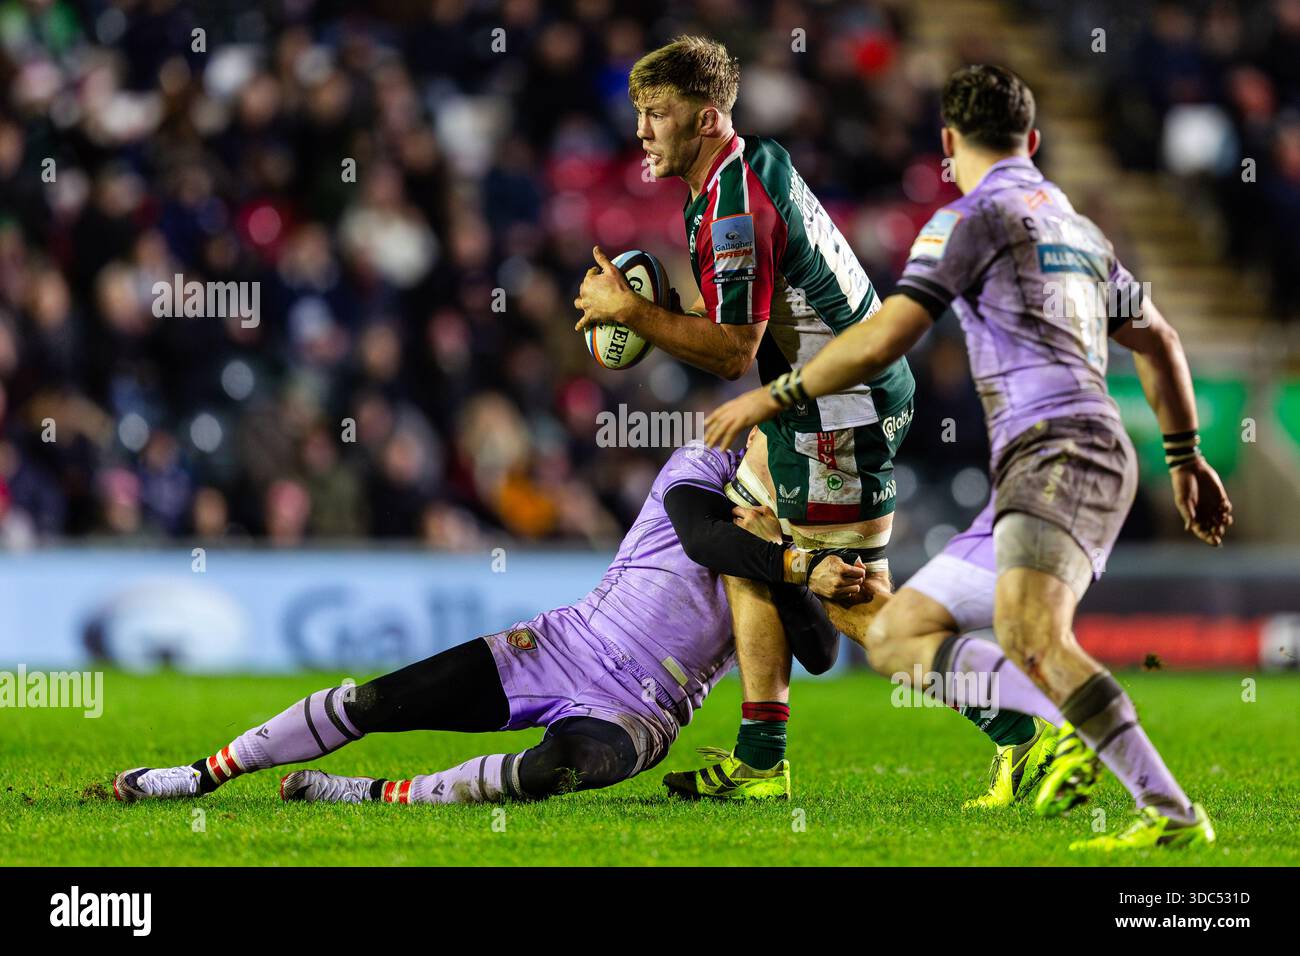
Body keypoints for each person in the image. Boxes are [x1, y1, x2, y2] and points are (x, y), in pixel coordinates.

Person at [701, 65, 1232, 850]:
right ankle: (1071, 751)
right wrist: (1184, 458)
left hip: (1059, 455)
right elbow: (1161, 339)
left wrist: (770, 396)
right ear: (1035, 141)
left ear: (948, 144)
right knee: (897, 632)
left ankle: (1145, 794)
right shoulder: (1076, 228)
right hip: (1054, 465)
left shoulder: (966, 221)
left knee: (1033, 635)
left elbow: (886, 334)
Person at [112, 438, 864, 806]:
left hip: (643, 713)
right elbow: (704, 539)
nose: (787, 459)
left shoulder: (794, 536)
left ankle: (372, 796)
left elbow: (823, 653)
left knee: (553, 772)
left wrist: (798, 564)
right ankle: (197, 777)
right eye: (781, 439)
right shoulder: (698, 465)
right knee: (374, 701)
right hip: (563, 646)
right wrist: (794, 563)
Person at [574, 35, 917, 798]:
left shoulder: (729, 204)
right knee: (745, 526)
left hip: (835, 407)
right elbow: (744, 306)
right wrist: (661, 313)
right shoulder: (743, 166)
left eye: (657, 113)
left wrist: (633, 312)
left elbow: (733, 351)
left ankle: (1018, 725)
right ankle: (761, 759)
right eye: (638, 113)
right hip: (831, 395)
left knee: (854, 602)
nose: (641, 131)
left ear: (706, 118)